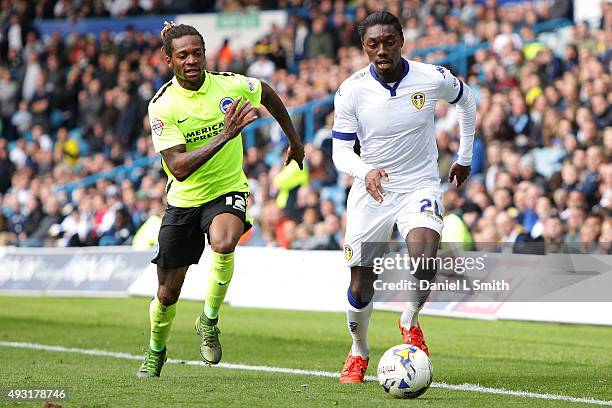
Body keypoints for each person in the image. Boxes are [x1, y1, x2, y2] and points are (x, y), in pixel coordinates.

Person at [137, 22, 305, 378]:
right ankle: (156, 350)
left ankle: (209, 320)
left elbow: (267, 93)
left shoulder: (230, 84)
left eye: (197, 52)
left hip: (227, 189)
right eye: (183, 55)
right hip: (184, 200)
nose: (192, 60)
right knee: (167, 294)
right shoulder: (162, 106)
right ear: (169, 60)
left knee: (225, 241)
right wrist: (225, 135)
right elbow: (179, 167)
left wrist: (294, 139)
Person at [331, 12, 476, 383]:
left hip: (419, 185)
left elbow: (467, 100)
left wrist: (464, 157)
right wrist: (366, 171)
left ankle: (409, 319)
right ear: (364, 47)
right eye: (373, 44)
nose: (382, 50)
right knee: (361, 285)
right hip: (372, 191)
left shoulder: (431, 77)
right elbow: (341, 152)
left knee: (425, 257)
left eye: (388, 41)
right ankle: (359, 350)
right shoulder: (351, 90)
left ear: (402, 40)